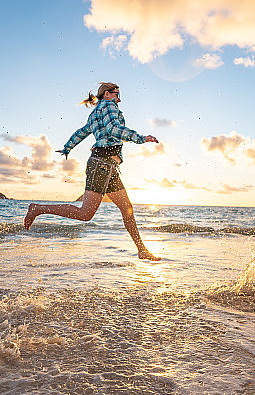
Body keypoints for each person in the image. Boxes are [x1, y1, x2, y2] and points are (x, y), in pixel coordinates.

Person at [24, 82, 161, 261]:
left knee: (127, 209)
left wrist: (67, 148)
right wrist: (140, 138)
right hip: (101, 164)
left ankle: (142, 250)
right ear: (106, 94)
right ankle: (37, 209)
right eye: (116, 94)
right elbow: (114, 129)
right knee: (85, 214)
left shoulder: (95, 113)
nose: (119, 99)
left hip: (109, 167)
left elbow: (82, 132)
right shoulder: (109, 106)